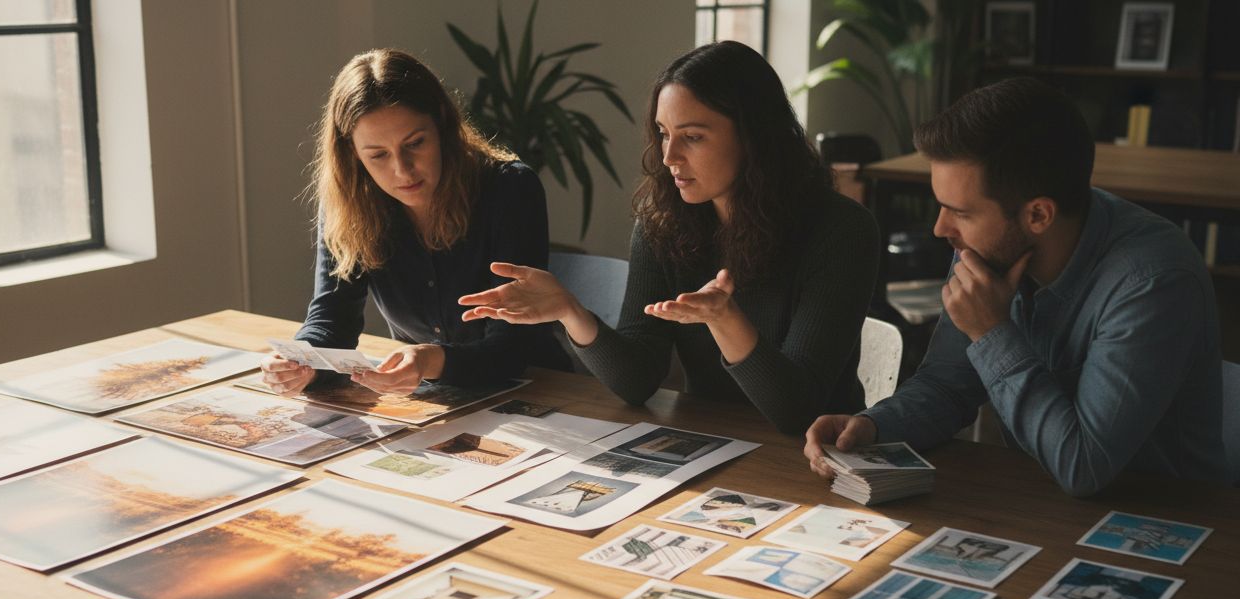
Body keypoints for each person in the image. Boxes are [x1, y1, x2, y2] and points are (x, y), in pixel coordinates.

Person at [804, 77, 1226, 496]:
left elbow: (1083, 465)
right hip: (1035, 499)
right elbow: (947, 386)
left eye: (960, 212)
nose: (940, 229)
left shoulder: (1154, 282)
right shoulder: (989, 244)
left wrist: (991, 332)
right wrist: (874, 426)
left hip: (1166, 518)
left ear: (1038, 215)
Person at [456, 41, 879, 434]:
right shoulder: (664, 224)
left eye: (692, 137)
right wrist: (571, 312)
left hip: (818, 453)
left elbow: (798, 410)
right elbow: (637, 380)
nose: (669, 156)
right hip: (714, 441)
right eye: (663, 133)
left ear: (754, 136)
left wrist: (725, 320)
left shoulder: (841, 231)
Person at [260, 48, 568, 397]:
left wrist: (429, 361)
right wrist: (301, 362)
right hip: (434, 398)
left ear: (442, 125)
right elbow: (332, 318)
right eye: (378, 155)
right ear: (352, 154)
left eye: (416, 143)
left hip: (541, 393)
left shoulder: (509, 189)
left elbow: (512, 348)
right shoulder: (351, 202)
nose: (402, 170)